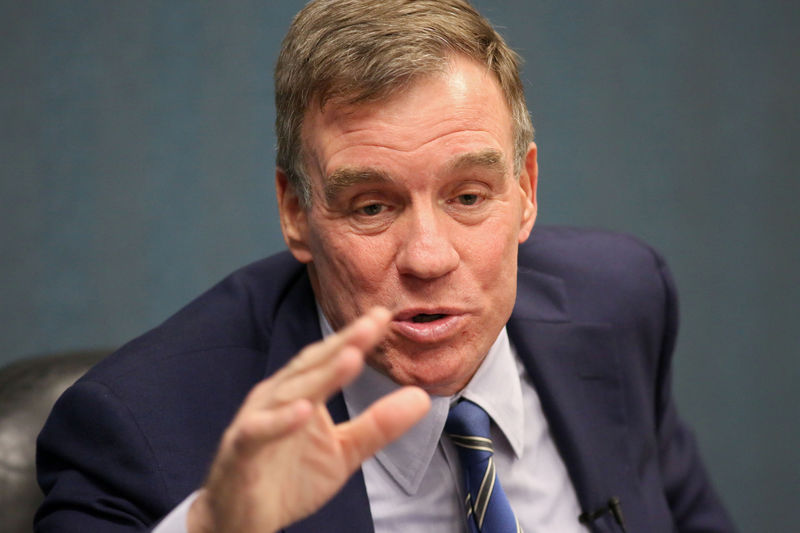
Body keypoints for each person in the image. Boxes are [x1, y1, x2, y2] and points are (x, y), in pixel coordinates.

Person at [35, 0, 737, 532]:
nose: (428, 257)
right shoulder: (141, 430)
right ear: (295, 211)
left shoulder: (618, 303)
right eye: (371, 207)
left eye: (468, 195)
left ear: (525, 191)